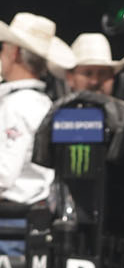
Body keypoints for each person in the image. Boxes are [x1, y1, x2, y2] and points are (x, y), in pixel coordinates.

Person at [0, 13, 75, 248]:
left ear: (14, 53)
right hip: (32, 218)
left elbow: (4, 173)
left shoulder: (17, 105)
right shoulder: (43, 103)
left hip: (11, 223)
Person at [59, 33, 124, 97]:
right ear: (70, 78)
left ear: (112, 77)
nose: (95, 82)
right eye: (88, 74)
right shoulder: (56, 108)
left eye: (102, 73)